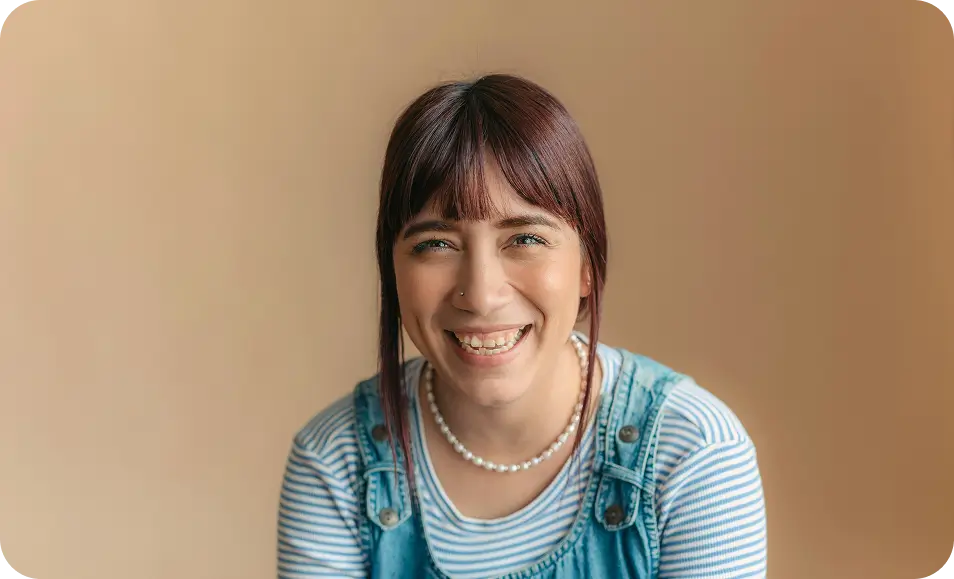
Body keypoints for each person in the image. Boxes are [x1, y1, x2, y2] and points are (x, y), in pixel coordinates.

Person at [277, 74, 767, 578]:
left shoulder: (693, 453)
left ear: (587, 265)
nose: (481, 294)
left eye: (525, 239)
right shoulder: (336, 463)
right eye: (436, 244)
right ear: (393, 271)